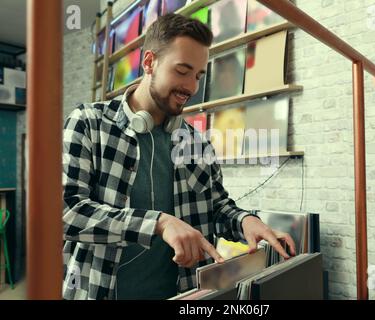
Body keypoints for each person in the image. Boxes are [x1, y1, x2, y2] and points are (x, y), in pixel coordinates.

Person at [62, 13, 296, 300]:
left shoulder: (197, 144)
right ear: (149, 62)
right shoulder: (88, 122)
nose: (192, 87)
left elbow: (217, 207)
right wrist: (159, 223)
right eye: (182, 71)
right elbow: (65, 213)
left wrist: (245, 221)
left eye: (198, 75)